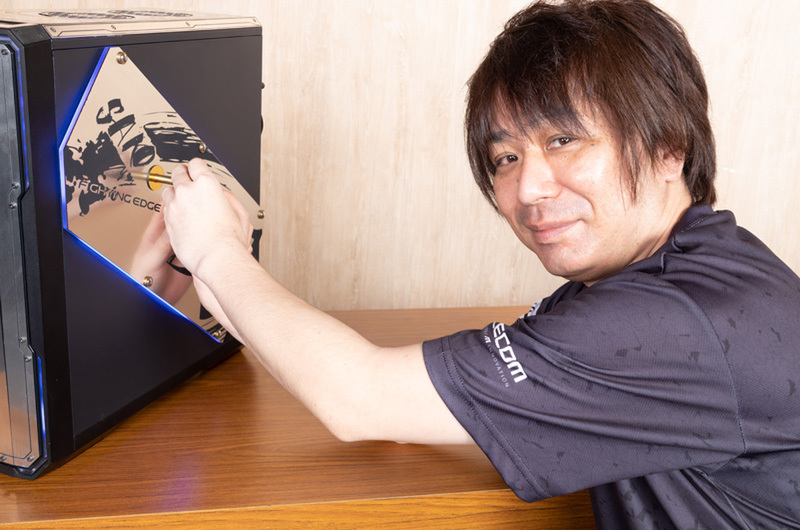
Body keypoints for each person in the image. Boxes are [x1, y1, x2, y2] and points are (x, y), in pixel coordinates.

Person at [161, 0, 800, 527]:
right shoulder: (689, 268)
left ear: (668, 148)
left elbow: (359, 398)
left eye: (563, 140)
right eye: (506, 158)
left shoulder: (671, 323)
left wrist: (218, 251)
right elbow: (413, 406)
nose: (529, 189)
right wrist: (208, 265)